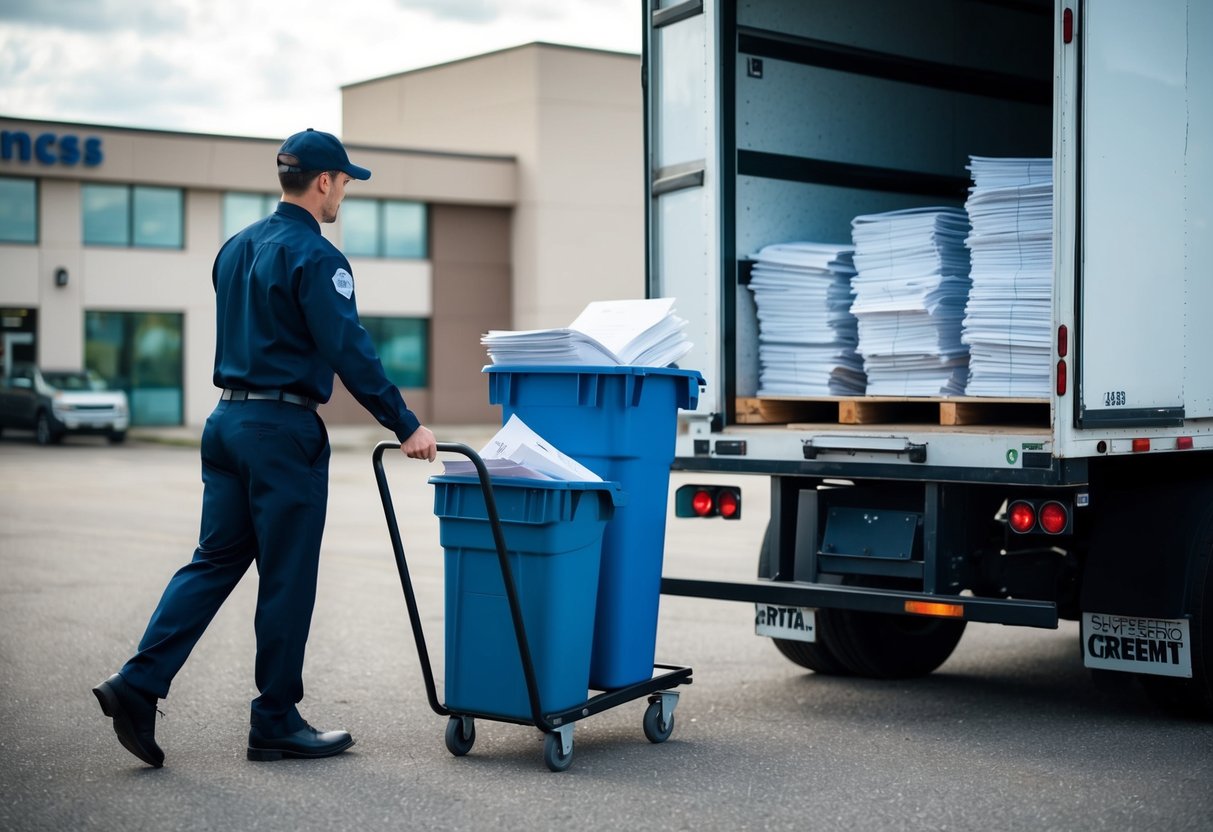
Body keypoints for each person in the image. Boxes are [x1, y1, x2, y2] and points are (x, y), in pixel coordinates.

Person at [93, 128, 437, 767]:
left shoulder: (235, 247)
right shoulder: (318, 257)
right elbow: (348, 349)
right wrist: (404, 423)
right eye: (344, 184)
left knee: (214, 561)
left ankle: (137, 684)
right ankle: (274, 719)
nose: (344, 197)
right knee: (287, 576)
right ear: (324, 182)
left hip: (226, 424)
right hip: (283, 433)